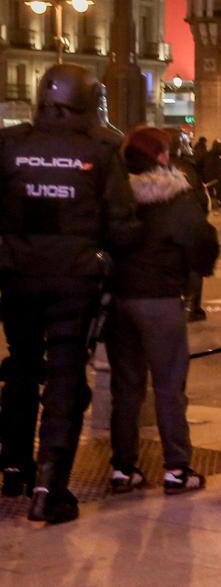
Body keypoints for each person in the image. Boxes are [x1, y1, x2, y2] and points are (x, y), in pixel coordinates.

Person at [0, 64, 140, 523]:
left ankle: (14, 465)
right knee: (64, 376)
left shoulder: (12, 146)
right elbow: (121, 226)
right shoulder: (99, 152)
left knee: (19, 366)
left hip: (18, 275)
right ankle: (50, 485)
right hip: (75, 281)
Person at [107, 126, 220, 495]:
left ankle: (123, 467)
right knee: (170, 385)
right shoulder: (175, 199)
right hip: (160, 301)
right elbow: (202, 243)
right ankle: (176, 467)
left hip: (119, 301)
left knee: (126, 387)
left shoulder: (115, 196)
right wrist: (196, 270)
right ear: (161, 156)